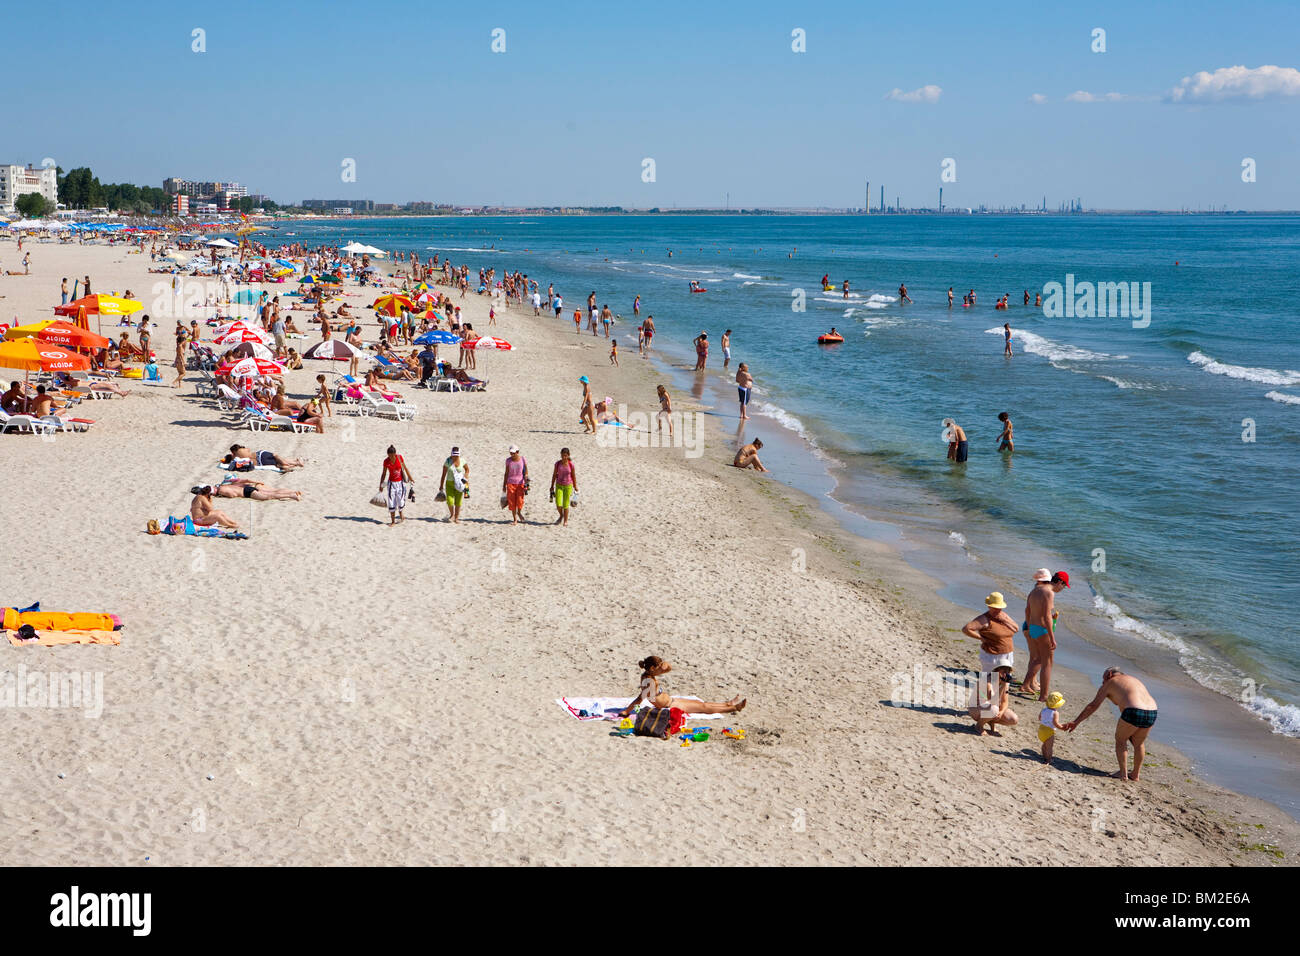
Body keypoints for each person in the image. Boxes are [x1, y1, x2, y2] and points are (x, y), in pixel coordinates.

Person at [1064, 667, 1159, 781]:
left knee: (1120, 739)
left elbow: (1093, 706)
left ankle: (1123, 774)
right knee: (1139, 743)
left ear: (1109, 674)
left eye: (1103, 679)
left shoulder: (1110, 682)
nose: (1102, 682)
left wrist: (1076, 722)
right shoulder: (1132, 680)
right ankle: (1135, 774)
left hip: (1134, 710)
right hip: (1152, 711)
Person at [616, 656, 746, 718]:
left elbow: (668, 669)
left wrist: (664, 664)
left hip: (672, 701)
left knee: (702, 704)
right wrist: (627, 711)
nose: (662, 667)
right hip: (671, 706)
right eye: (659, 666)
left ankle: (727, 703)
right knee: (704, 708)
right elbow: (640, 698)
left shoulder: (649, 675)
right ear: (652, 668)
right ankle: (735, 708)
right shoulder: (648, 682)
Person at [1021, 569, 1070, 700]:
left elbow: (1028, 610)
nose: (1063, 588)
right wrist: (1052, 637)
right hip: (1043, 630)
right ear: (1059, 582)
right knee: (1047, 663)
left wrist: (1029, 627)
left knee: (1038, 659)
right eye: (1064, 586)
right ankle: (1043, 696)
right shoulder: (1049, 592)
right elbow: (1047, 617)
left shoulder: (1035, 590)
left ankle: (1025, 684)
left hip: (1033, 628)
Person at [961, 592, 1019, 676]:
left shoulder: (1003, 615)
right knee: (990, 679)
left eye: (999, 607)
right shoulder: (984, 619)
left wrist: (1004, 620)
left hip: (1008, 653)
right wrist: (981, 638)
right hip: (992, 655)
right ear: (989, 606)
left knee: (1005, 680)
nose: (997, 610)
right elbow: (966, 629)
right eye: (994, 607)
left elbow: (1016, 629)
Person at [967, 665, 1018, 737]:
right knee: (994, 709)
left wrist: (1001, 712)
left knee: (1013, 719)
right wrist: (1003, 684)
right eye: (1004, 671)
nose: (1006, 674)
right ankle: (979, 726)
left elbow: (1005, 701)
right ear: (997, 670)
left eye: (1008, 672)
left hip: (991, 708)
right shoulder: (987, 681)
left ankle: (991, 722)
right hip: (976, 708)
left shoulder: (1004, 682)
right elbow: (992, 700)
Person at [380, 444, 413, 525]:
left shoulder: (399, 457)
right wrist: (381, 484)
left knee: (400, 501)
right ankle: (393, 521)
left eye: (392, 456)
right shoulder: (386, 461)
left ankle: (401, 514)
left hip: (400, 483)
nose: (391, 458)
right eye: (389, 456)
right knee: (391, 502)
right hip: (391, 484)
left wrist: (410, 477)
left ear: (395, 454)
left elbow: (405, 468)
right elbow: (384, 473)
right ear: (387, 454)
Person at [439, 446, 469, 523]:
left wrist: (466, 475)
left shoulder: (462, 461)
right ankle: (452, 515)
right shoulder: (448, 461)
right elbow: (443, 474)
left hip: (460, 483)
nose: (455, 457)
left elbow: (467, 469)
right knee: (449, 500)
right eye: (454, 455)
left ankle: (456, 517)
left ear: (459, 455)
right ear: (451, 454)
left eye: (456, 455)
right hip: (449, 483)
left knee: (458, 501)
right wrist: (441, 485)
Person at [549, 447, 577, 526]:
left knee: (566, 504)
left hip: (568, 486)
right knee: (558, 503)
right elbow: (554, 475)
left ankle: (565, 520)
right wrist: (551, 486)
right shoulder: (557, 464)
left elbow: (573, 476)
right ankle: (561, 515)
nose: (563, 457)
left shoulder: (571, 465)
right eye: (562, 455)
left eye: (565, 455)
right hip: (559, 485)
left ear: (568, 455)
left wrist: (575, 486)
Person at [1038, 692, 1068, 764]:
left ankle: (1044, 757)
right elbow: (1055, 723)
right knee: (1049, 747)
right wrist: (1062, 728)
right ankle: (1048, 760)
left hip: (1041, 729)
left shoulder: (1044, 710)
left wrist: (1045, 721)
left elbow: (1039, 718)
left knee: (1044, 745)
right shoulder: (1055, 713)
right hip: (1049, 731)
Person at [502, 444, 529, 525]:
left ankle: (519, 512)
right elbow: (506, 473)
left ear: (518, 452)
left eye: (514, 453)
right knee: (512, 502)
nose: (512, 455)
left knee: (520, 501)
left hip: (521, 483)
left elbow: (526, 470)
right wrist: (504, 485)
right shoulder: (508, 461)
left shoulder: (523, 459)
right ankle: (515, 519)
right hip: (510, 483)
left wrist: (526, 478)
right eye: (511, 453)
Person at [214, 477, 303, 501]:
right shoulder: (233, 483)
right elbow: (247, 480)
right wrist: (257, 481)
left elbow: (232, 495)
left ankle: (292, 495)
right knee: (273, 491)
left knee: (269, 496)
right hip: (250, 487)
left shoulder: (226, 488)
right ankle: (293, 492)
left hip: (247, 492)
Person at [226, 444, 304, 471]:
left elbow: (226, 461)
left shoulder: (235, 459)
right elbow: (249, 450)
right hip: (260, 454)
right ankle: (296, 462)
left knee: (276, 462)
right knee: (276, 457)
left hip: (260, 463)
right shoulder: (243, 449)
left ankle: (293, 463)